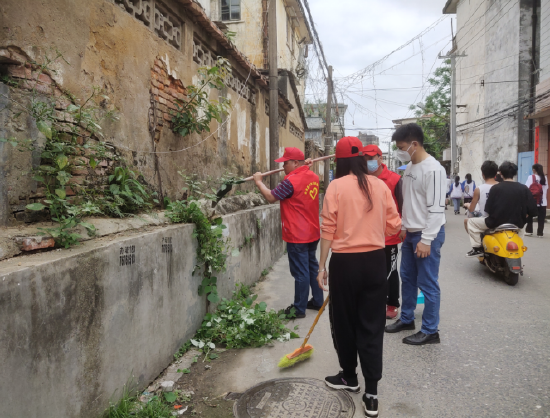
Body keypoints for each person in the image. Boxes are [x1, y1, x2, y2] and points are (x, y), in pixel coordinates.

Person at [317, 136, 401, 417]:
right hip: (375, 262)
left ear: (338, 161)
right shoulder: (379, 185)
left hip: (344, 264)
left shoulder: (336, 186)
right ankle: (372, 393)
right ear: (364, 160)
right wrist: (373, 231)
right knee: (372, 325)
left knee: (344, 321)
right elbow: (394, 227)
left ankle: (349, 377)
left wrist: (321, 267)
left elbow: (327, 229)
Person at [385, 123, 446, 346]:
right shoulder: (410, 167)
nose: (399, 151)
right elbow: (410, 203)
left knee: (428, 283)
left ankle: (431, 330)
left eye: (401, 147)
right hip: (410, 233)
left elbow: (437, 209)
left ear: (414, 144)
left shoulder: (434, 170)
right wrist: (403, 227)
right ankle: (407, 318)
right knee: (408, 279)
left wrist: (427, 239)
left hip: (427, 234)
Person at [252, 147, 323, 318]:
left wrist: (259, 181)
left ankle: (299, 309)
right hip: (312, 232)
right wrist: (303, 168)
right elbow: (301, 178)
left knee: (300, 272)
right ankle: (318, 301)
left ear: (296, 163)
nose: (283, 166)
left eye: (286, 162)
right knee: (312, 267)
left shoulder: (290, 182)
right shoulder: (313, 177)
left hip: (297, 234)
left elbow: (271, 197)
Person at [363, 144, 403, 320]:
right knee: (370, 271)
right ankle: (373, 301)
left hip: (390, 236)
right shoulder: (361, 179)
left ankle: (392, 303)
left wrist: (403, 229)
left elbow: (402, 207)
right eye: (365, 159)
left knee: (390, 271)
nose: (368, 162)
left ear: (380, 158)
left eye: (371, 158)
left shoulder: (394, 179)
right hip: (368, 236)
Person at [466, 161, 538, 257]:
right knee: (522, 230)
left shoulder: (496, 188)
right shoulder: (524, 188)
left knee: (470, 222)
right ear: (515, 173)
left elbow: (488, 209)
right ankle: (519, 246)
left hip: (496, 223)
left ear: (501, 174)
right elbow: (533, 210)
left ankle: (477, 247)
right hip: (517, 224)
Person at [463, 161, 499, 232]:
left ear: (483, 174)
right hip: (502, 220)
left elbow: (472, 209)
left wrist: (467, 205)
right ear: (495, 173)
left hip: (486, 221)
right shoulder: (502, 186)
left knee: (466, 221)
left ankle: (477, 242)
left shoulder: (479, 189)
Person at [524, 163, 548, 237]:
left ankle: (529, 231)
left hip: (533, 201)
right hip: (543, 201)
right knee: (541, 218)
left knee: (530, 215)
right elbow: (546, 189)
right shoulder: (545, 178)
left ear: (534, 170)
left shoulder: (531, 177)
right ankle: (540, 233)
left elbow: (526, 187)